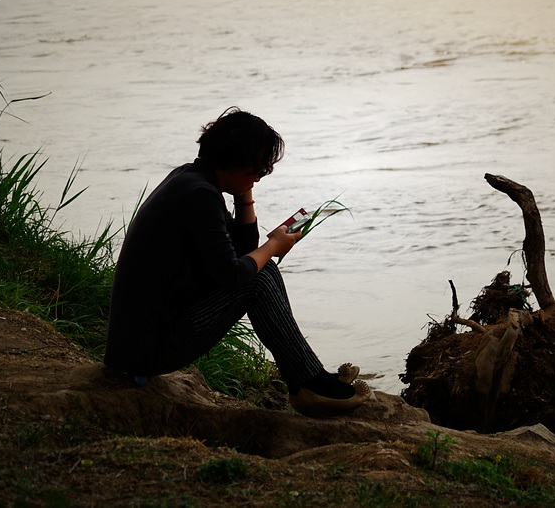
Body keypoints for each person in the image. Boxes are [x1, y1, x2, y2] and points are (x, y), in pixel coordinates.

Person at [104, 107, 370, 417]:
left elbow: (243, 251)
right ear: (231, 160)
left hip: (138, 345)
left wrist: (245, 196)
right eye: (256, 169)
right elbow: (234, 274)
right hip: (148, 350)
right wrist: (272, 246)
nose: (259, 176)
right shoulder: (199, 195)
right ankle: (310, 384)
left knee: (260, 269)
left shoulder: (192, 179)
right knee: (259, 276)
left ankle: (308, 380)